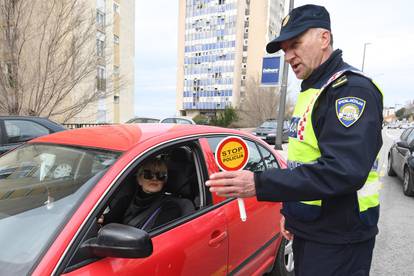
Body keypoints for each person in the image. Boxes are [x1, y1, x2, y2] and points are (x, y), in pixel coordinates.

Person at [206, 4, 383, 276]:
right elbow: (302, 163)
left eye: (296, 44)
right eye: (285, 49)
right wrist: (292, 213)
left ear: (324, 38)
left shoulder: (350, 90)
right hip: (313, 230)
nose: (288, 56)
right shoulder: (313, 90)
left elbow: (343, 171)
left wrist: (258, 183)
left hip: (340, 238)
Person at [101, 157, 194, 231]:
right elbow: (107, 222)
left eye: (160, 175)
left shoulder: (170, 207)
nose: (154, 179)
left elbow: (157, 239)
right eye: (148, 174)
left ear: (164, 181)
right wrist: (101, 219)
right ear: (139, 179)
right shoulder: (126, 200)